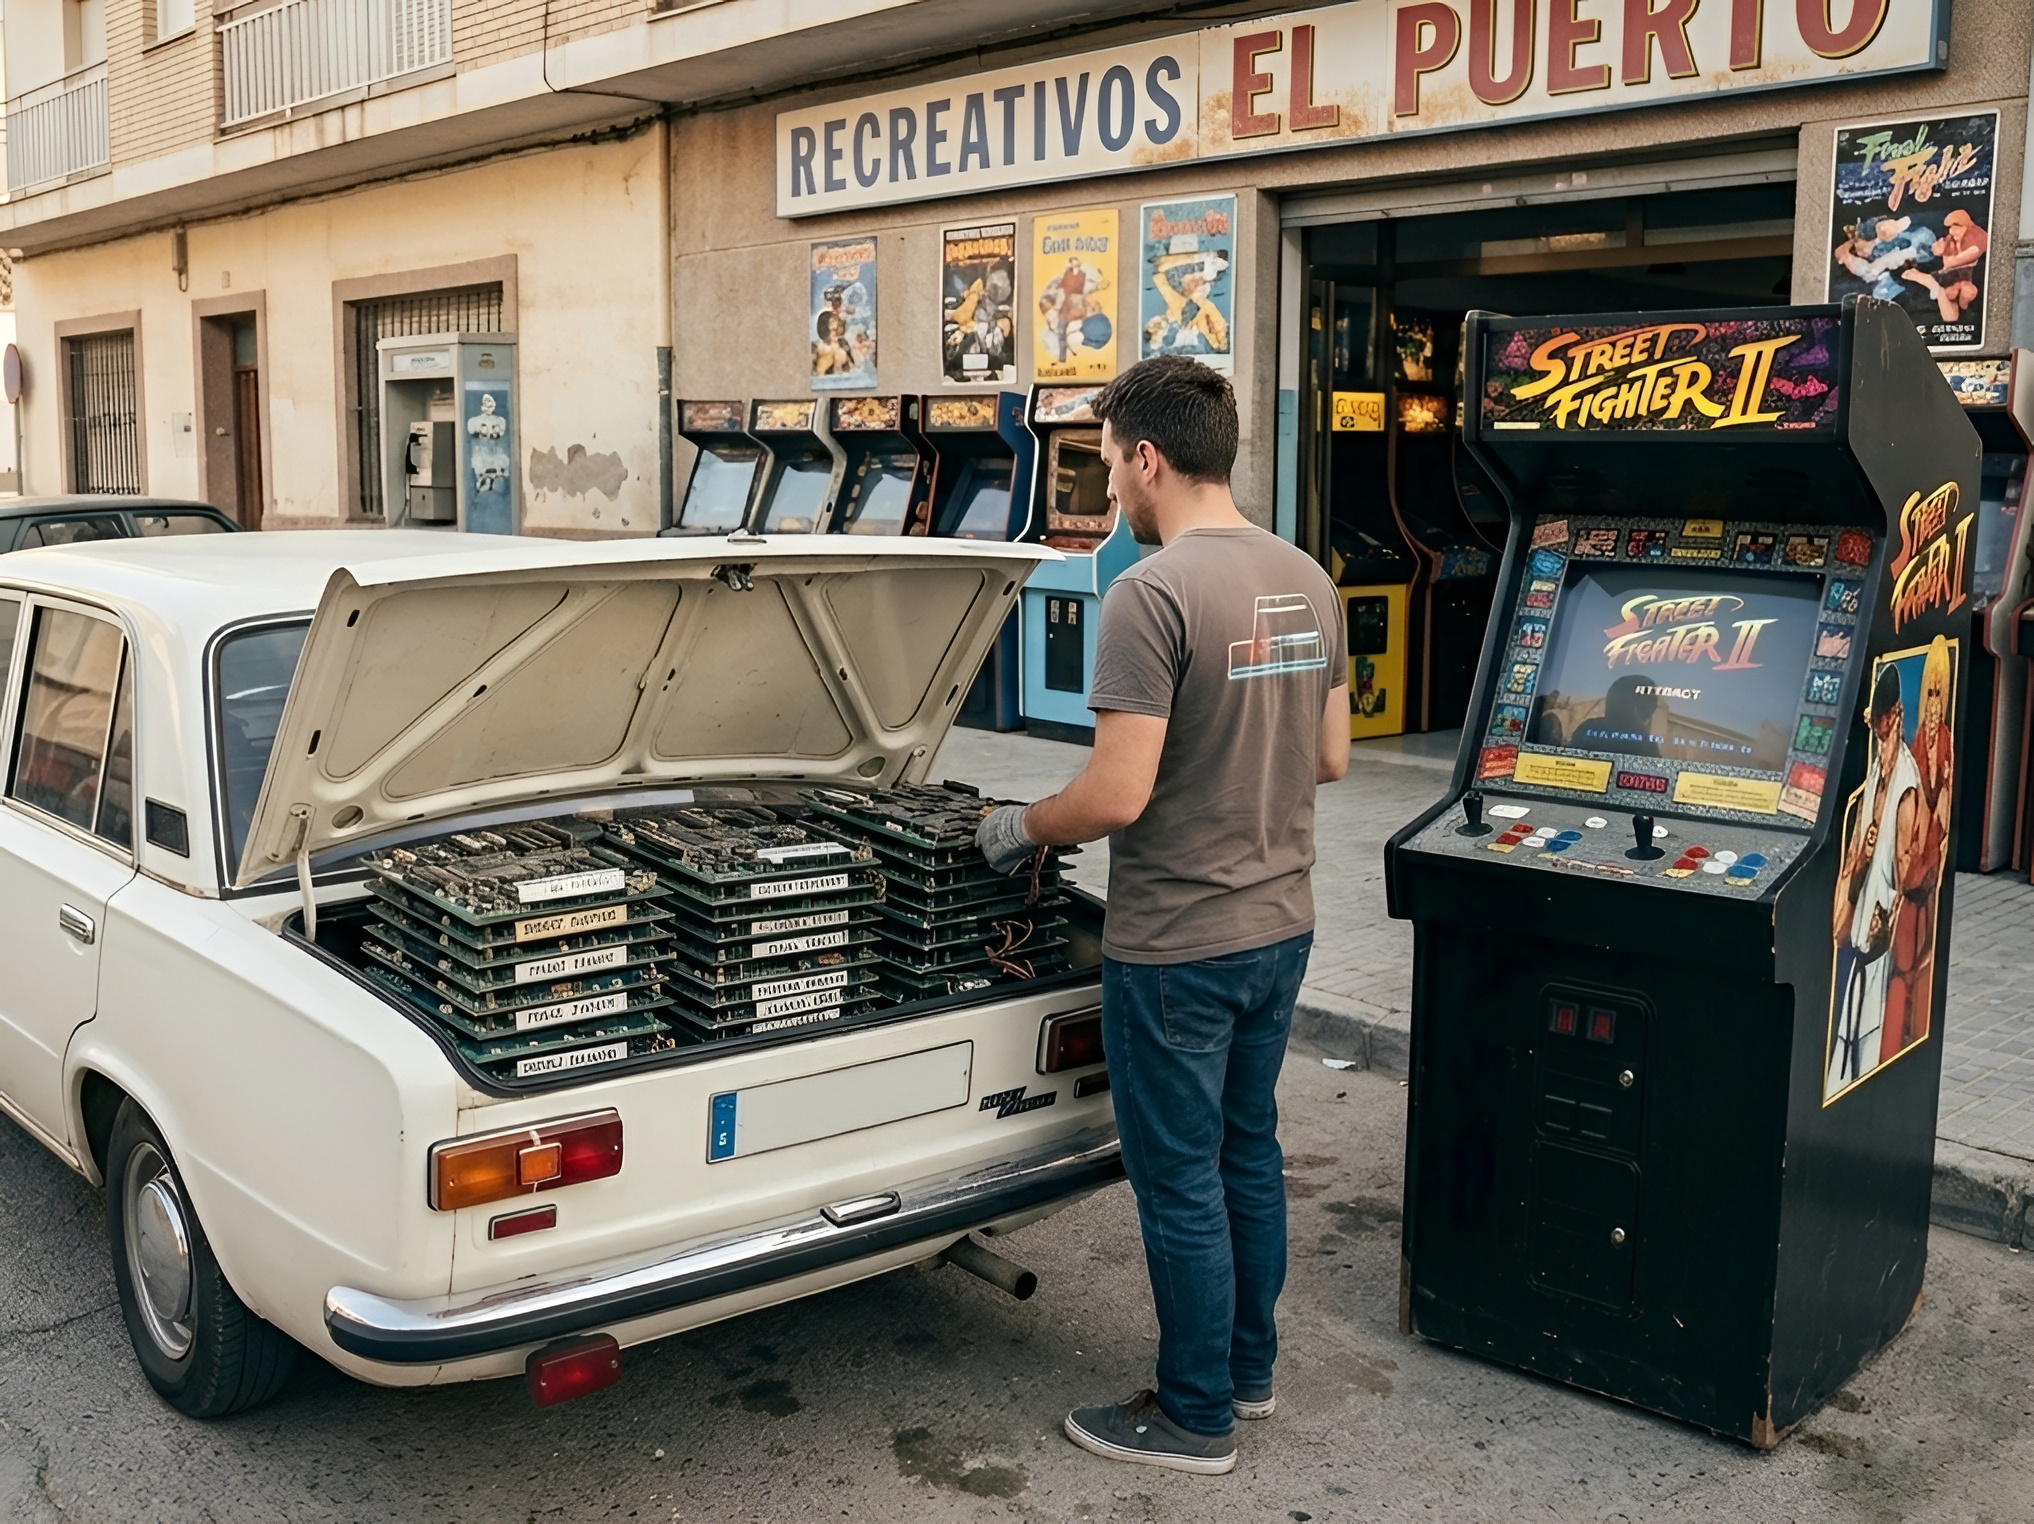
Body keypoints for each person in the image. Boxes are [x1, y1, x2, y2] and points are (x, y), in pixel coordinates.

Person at [976, 356, 1350, 1475]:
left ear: (1150, 458)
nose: (1103, 489)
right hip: (1282, 926)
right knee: (1248, 1151)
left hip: (1179, 944)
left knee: (1180, 1178)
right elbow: (1331, 756)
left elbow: (1116, 796)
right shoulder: (1308, 577)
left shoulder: (1150, 593)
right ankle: (1247, 1373)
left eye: (1103, 463)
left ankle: (1193, 1417)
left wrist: (1019, 828)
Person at [1828, 664, 1919, 1098]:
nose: (1879, 727)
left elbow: (1907, 875)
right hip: (1855, 945)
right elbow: (1856, 861)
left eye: (1883, 718)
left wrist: (1888, 928)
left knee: (1865, 1051)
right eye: (1875, 719)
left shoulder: (1904, 786)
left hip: (1879, 954)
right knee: (1842, 1056)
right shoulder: (1876, 772)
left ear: (1894, 714)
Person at [1887, 635, 1953, 1063]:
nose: (1931, 703)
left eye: (1936, 694)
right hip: (1909, 870)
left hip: (1929, 870)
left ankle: (1908, 1043)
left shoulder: (1945, 741)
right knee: (1899, 967)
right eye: (1927, 693)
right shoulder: (1914, 744)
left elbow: (1943, 811)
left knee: (1923, 964)